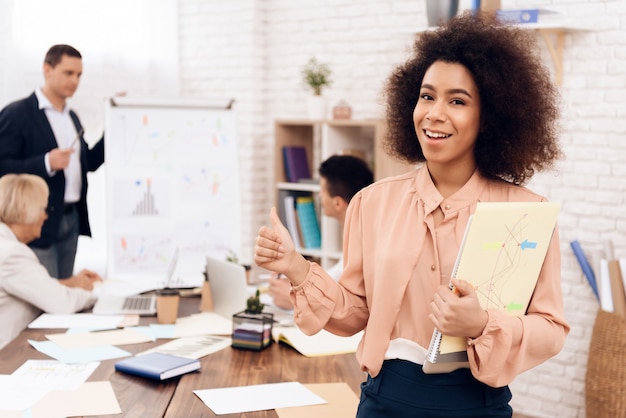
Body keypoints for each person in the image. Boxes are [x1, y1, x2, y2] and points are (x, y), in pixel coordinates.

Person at [254, 11, 570, 417]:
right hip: (383, 400)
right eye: (426, 95)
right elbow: (355, 314)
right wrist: (296, 267)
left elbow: (550, 329)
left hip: (476, 404)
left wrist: (481, 325)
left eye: (457, 100)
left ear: (489, 116)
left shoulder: (530, 213)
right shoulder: (372, 203)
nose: (434, 113)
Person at [0, 44, 105, 279]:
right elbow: (2, 165)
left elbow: (88, 163)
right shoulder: (17, 114)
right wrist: (46, 162)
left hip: (71, 219)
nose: (75, 81)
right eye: (68, 73)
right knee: (44, 295)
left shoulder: (72, 118)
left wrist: (115, 126)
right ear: (47, 70)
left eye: (79, 75)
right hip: (36, 223)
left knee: (64, 292)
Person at [0, 174, 101, 350]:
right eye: (43, 209)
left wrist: (71, 283)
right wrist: (99, 297)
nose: (45, 217)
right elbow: (62, 303)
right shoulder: (11, 254)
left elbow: (34, 286)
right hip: (8, 356)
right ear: (25, 210)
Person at [268, 154, 373, 310]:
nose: (319, 196)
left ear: (338, 203)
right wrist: (298, 281)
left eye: (322, 190)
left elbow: (338, 291)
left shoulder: (365, 239)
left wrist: (295, 295)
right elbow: (337, 273)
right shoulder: (364, 227)